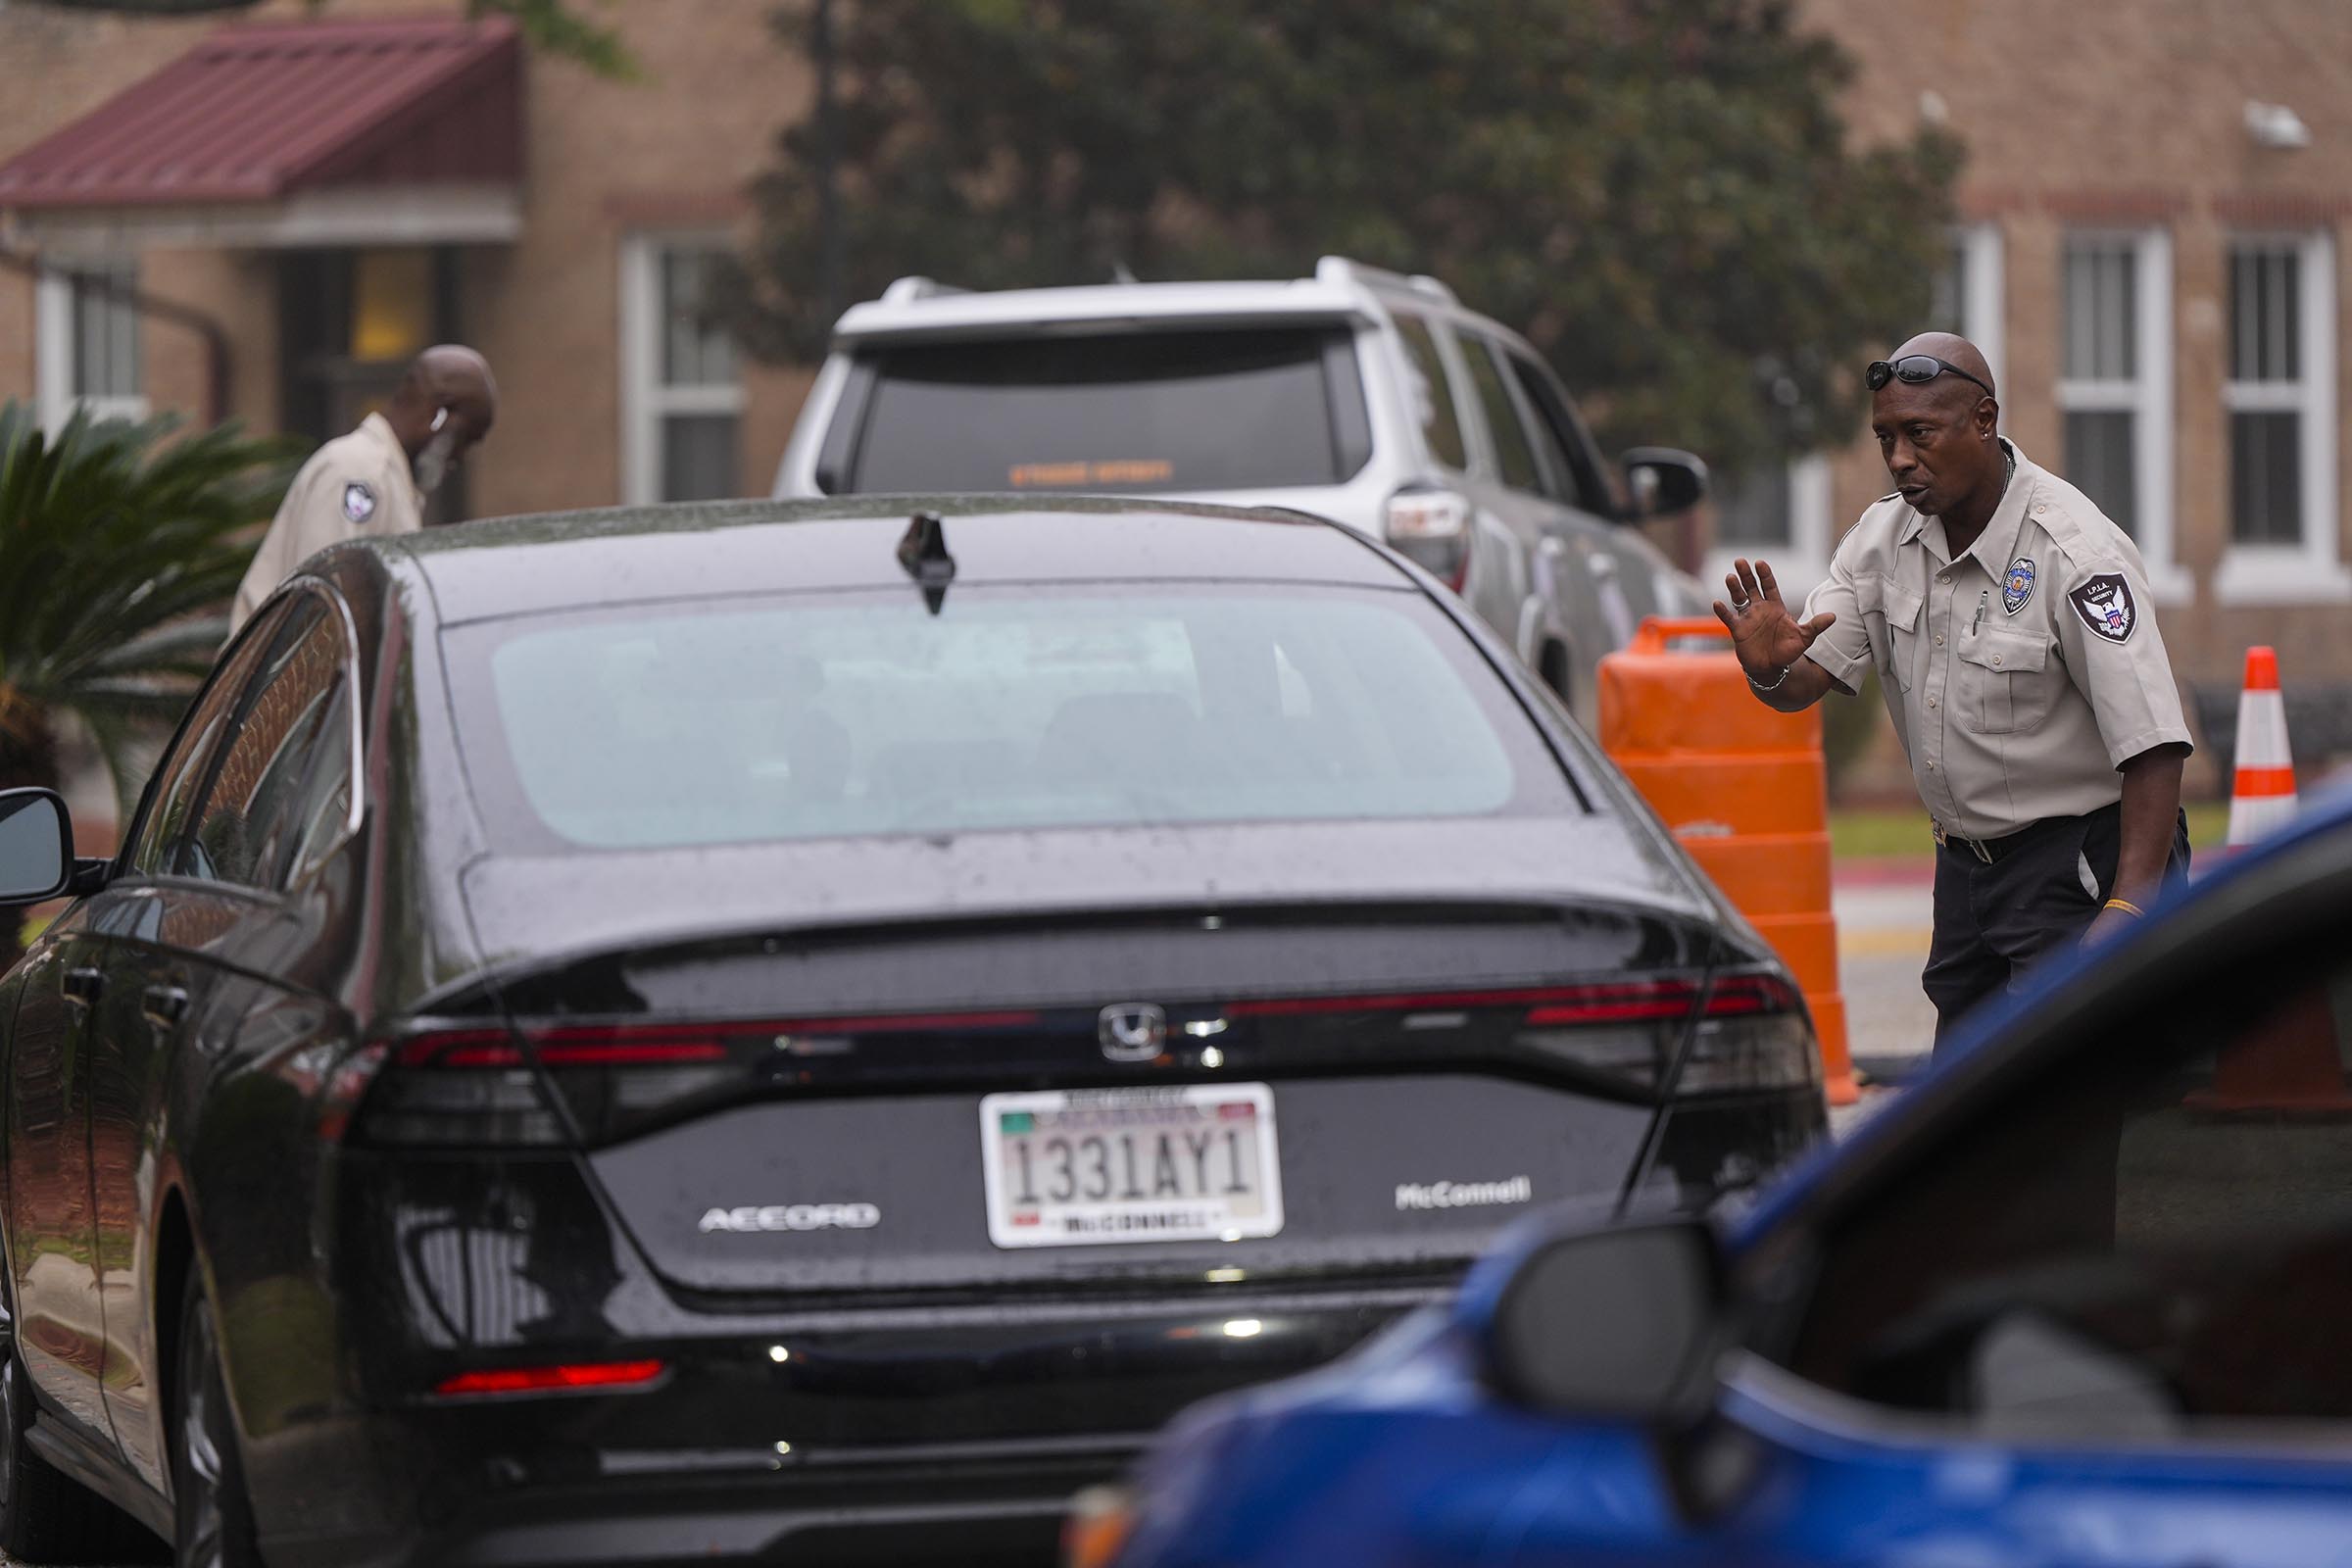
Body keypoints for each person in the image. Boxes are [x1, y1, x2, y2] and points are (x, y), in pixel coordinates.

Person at [1714, 332, 2193, 1049]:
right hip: (1968, 870)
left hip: (2078, 865)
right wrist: (1769, 668)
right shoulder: (1881, 539)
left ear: (1984, 420)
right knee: (1972, 1111)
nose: (1900, 458)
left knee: (2060, 1112)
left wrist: (2129, 906)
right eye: (1885, 438)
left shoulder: (2076, 553)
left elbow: (2153, 745)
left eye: (1919, 434)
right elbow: (1804, 680)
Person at [229, 345, 498, 631]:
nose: (458, 458)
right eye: (467, 439)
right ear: (439, 415)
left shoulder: (388, 479)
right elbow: (323, 607)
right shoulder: (358, 472)